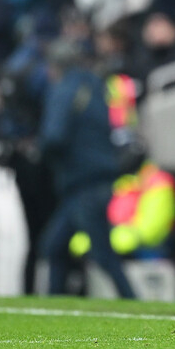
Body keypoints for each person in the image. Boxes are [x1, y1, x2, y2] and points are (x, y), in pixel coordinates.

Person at [37, 37, 136, 299]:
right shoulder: (94, 84)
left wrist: (40, 153)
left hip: (82, 182)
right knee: (55, 245)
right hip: (99, 178)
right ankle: (55, 304)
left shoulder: (63, 89)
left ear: (54, 66)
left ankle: (132, 299)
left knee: (101, 253)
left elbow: (54, 137)